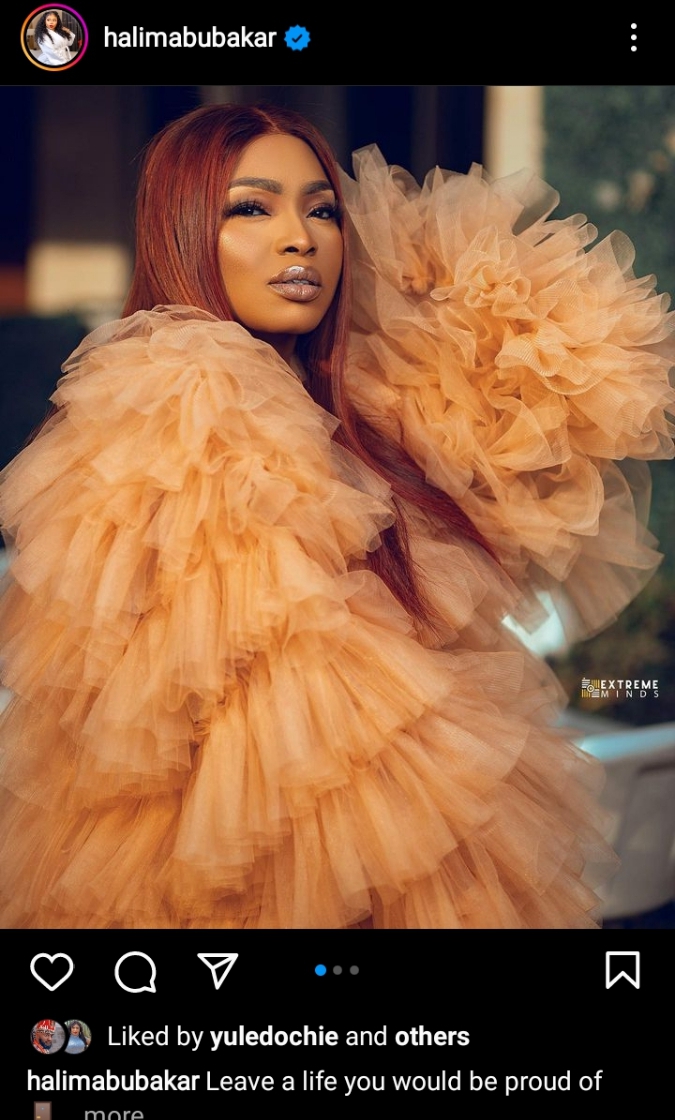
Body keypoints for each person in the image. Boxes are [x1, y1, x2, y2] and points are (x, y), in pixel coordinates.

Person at [0, 104, 673, 929]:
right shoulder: (179, 398)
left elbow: (568, 360)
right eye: (251, 208)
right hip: (253, 879)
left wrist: (414, 265)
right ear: (181, 230)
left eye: (321, 211)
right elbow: (252, 719)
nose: (300, 239)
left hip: (410, 859)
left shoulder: (365, 407)